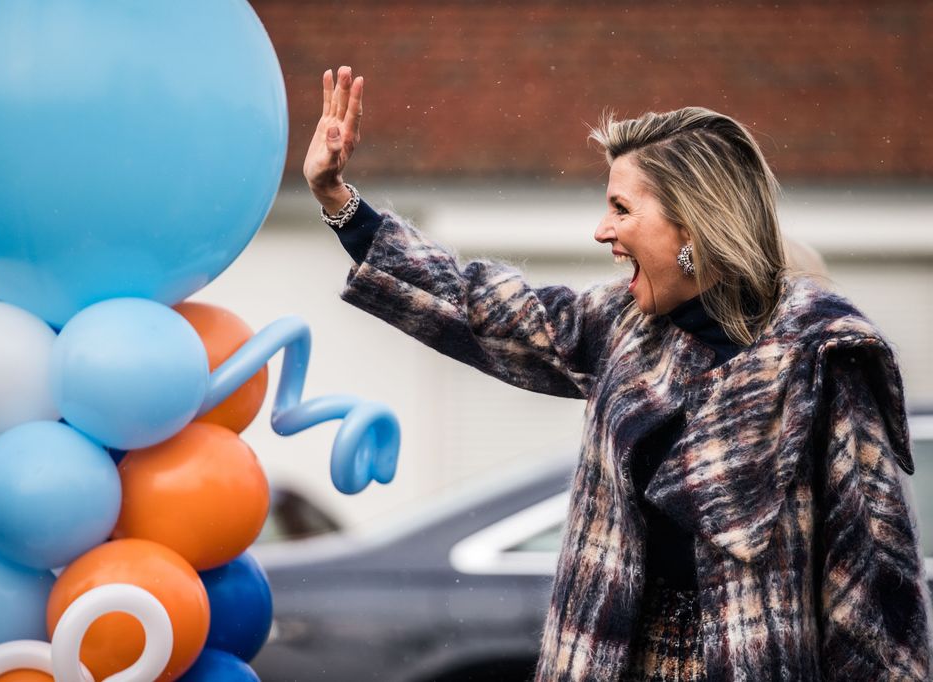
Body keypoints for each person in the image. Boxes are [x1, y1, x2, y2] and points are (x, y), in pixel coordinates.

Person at [303, 66, 932, 681]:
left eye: (621, 208)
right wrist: (341, 205)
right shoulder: (621, 326)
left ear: (691, 224)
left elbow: (873, 587)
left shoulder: (821, 357)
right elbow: (479, 305)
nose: (602, 229)